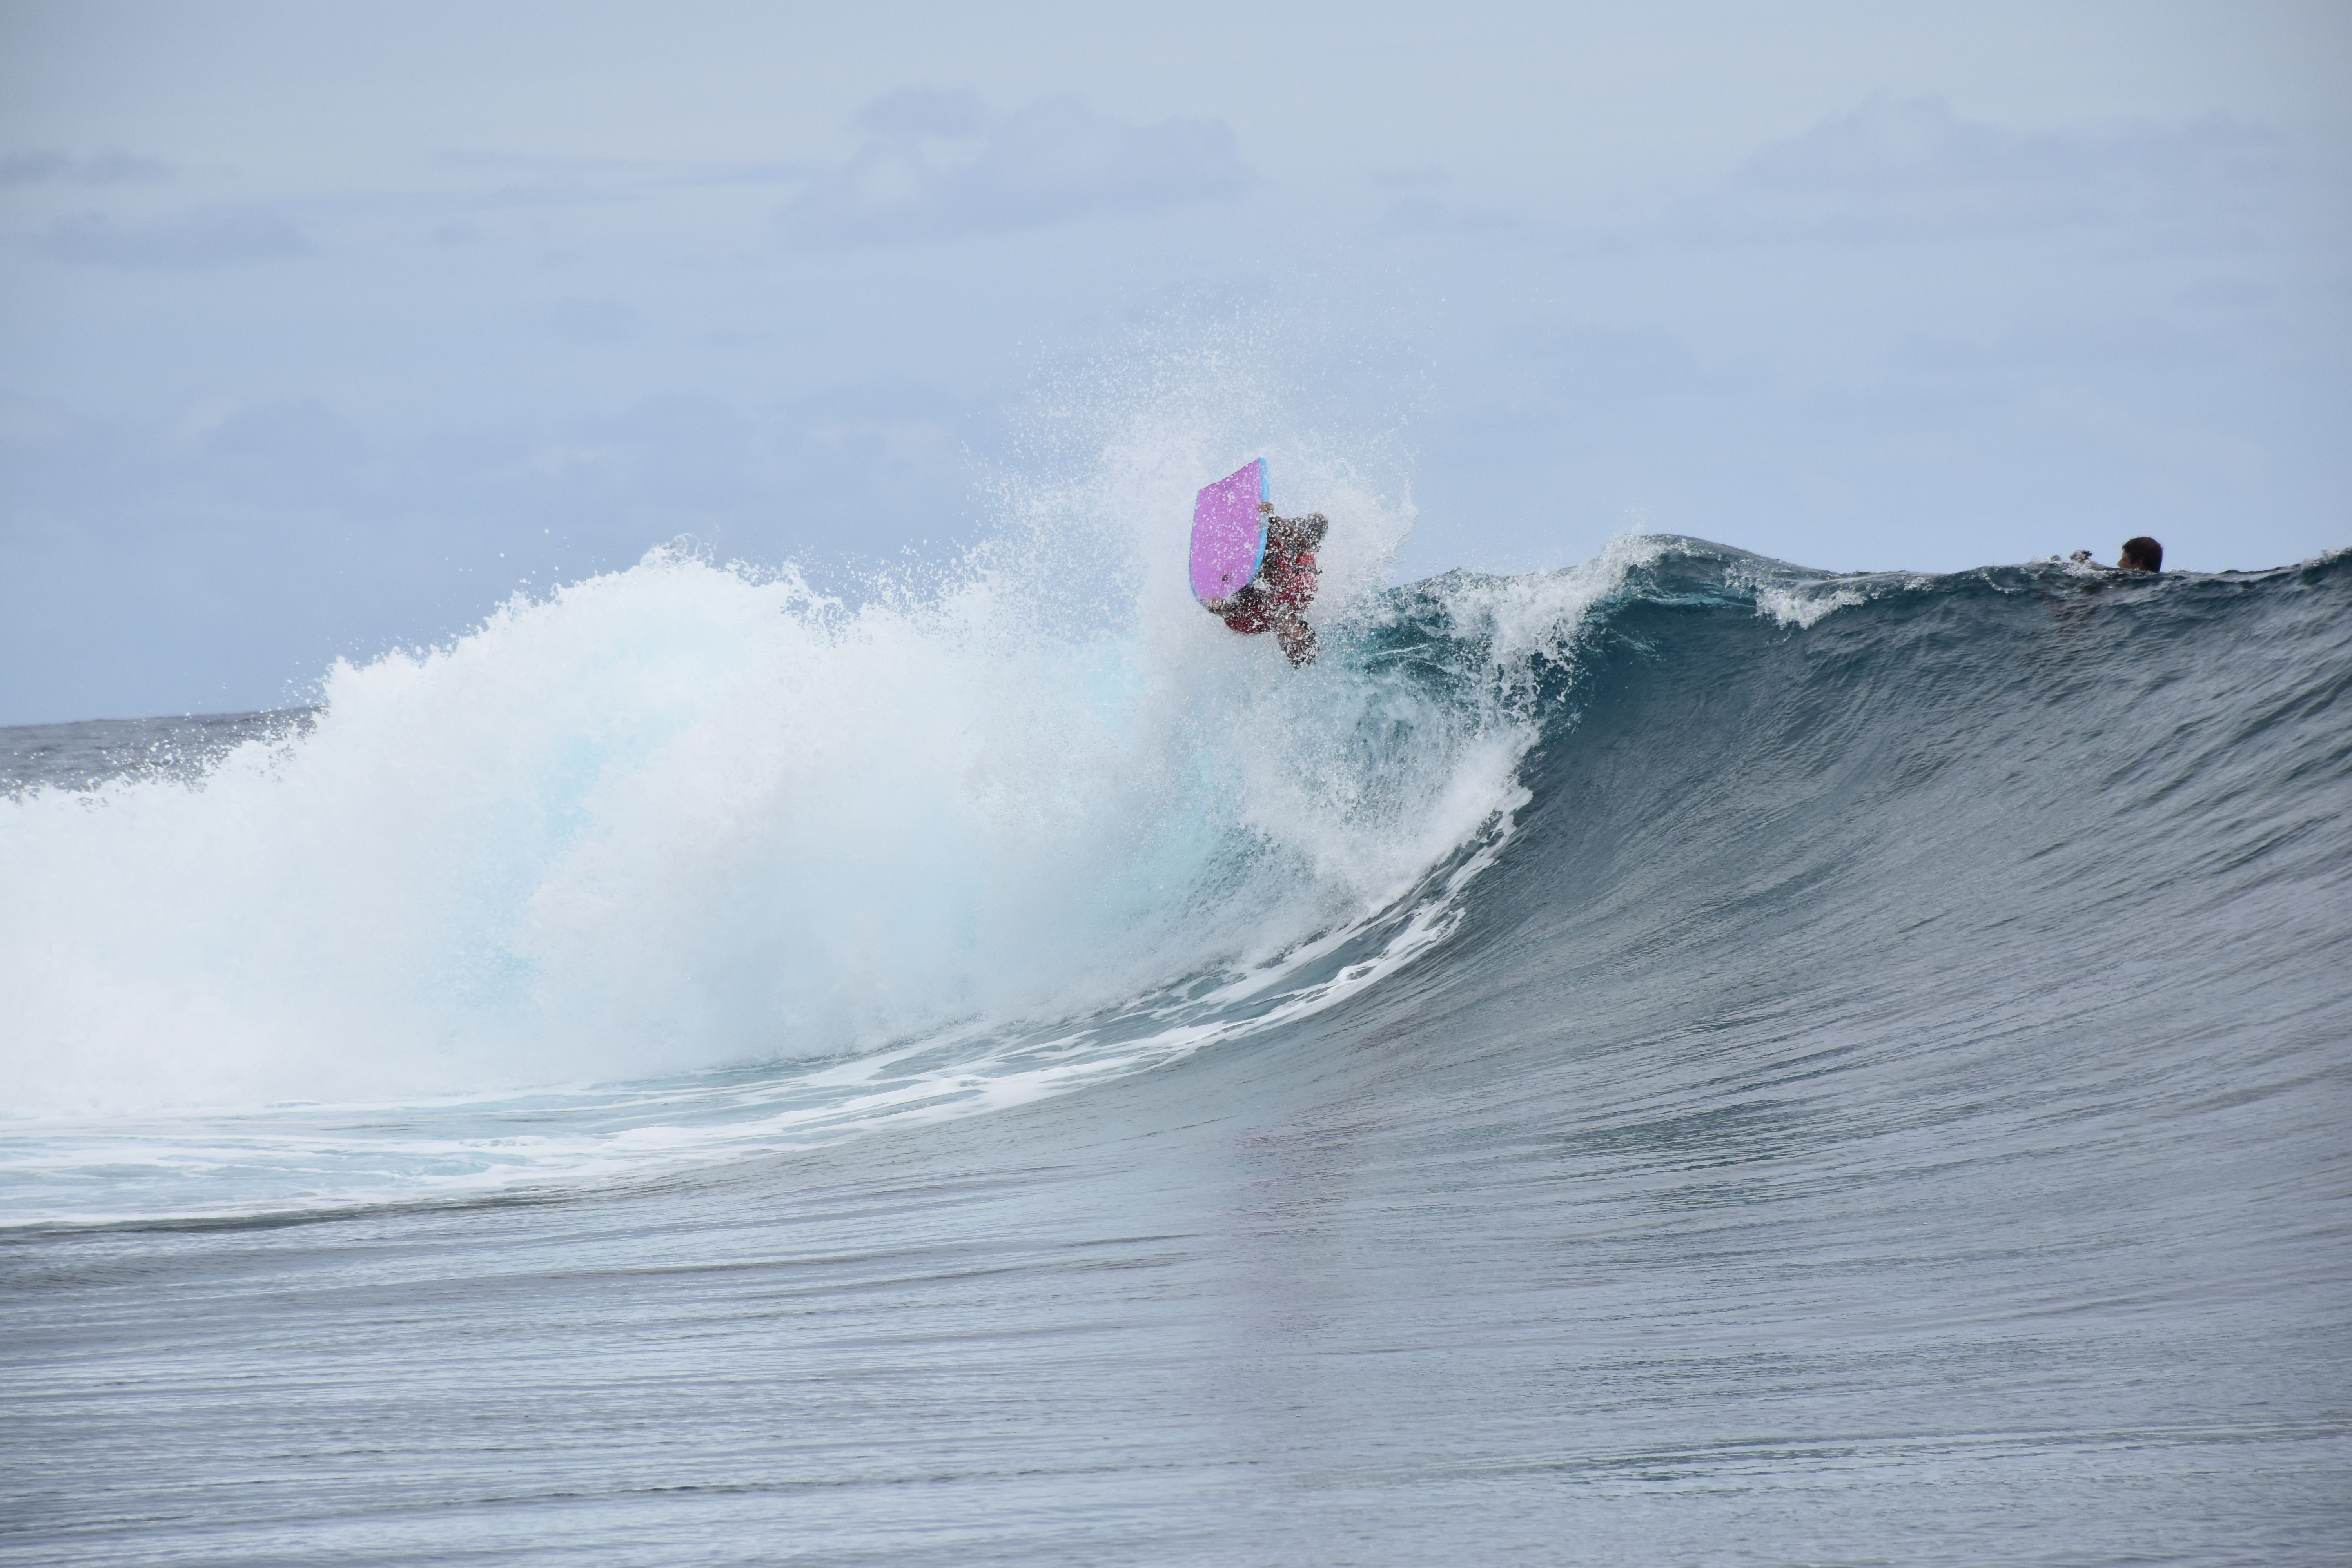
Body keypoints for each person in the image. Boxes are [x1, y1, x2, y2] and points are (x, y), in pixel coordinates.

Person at [1204, 503, 1327, 666]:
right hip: (1277, 539)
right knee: (1319, 524)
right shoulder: (1302, 591)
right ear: (1305, 630)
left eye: (1290, 651)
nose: (1290, 645)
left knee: (1248, 594)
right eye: (1298, 644)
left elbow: (1227, 612)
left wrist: (1218, 608)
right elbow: (1303, 548)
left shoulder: (1254, 625)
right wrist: (1274, 521)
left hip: (1244, 566)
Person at [2066, 537, 2163, 572]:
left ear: (2138, 565)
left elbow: (2102, 570)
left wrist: (2082, 560)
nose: (2119, 563)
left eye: (2124, 560)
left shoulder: (2132, 580)